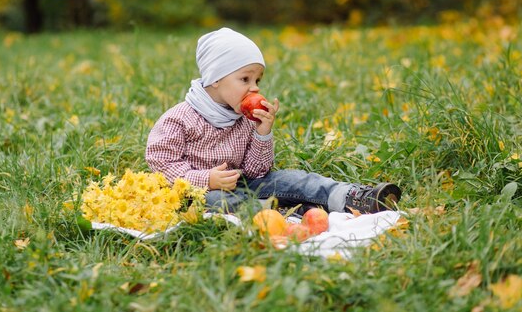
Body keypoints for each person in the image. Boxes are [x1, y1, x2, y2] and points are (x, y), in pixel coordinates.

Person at [145, 27, 401, 214]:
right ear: (215, 78)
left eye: (257, 80)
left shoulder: (244, 118)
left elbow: (257, 172)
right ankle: (283, 214)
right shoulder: (179, 119)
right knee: (217, 202)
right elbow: (161, 164)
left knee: (294, 179)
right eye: (245, 79)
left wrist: (262, 133)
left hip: (244, 183)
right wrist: (205, 180)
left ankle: (353, 197)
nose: (254, 88)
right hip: (197, 192)